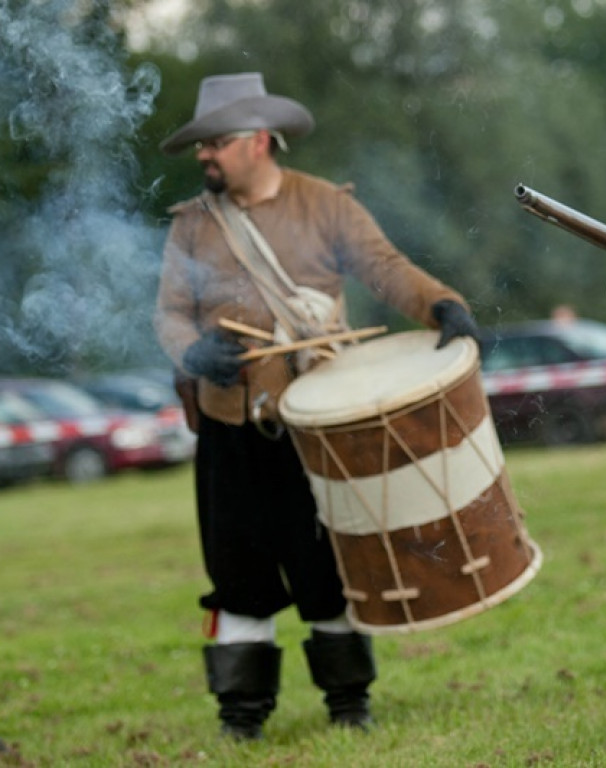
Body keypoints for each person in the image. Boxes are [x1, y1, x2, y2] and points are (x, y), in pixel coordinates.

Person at [153, 72, 480, 741]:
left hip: (317, 421)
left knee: (330, 566)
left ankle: (349, 703)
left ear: (258, 141)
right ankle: (240, 717)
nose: (204, 156)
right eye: (202, 146)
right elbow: (170, 316)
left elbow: (386, 268)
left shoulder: (327, 205)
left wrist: (444, 305)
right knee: (236, 570)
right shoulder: (191, 225)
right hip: (227, 424)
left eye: (215, 143)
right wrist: (192, 357)